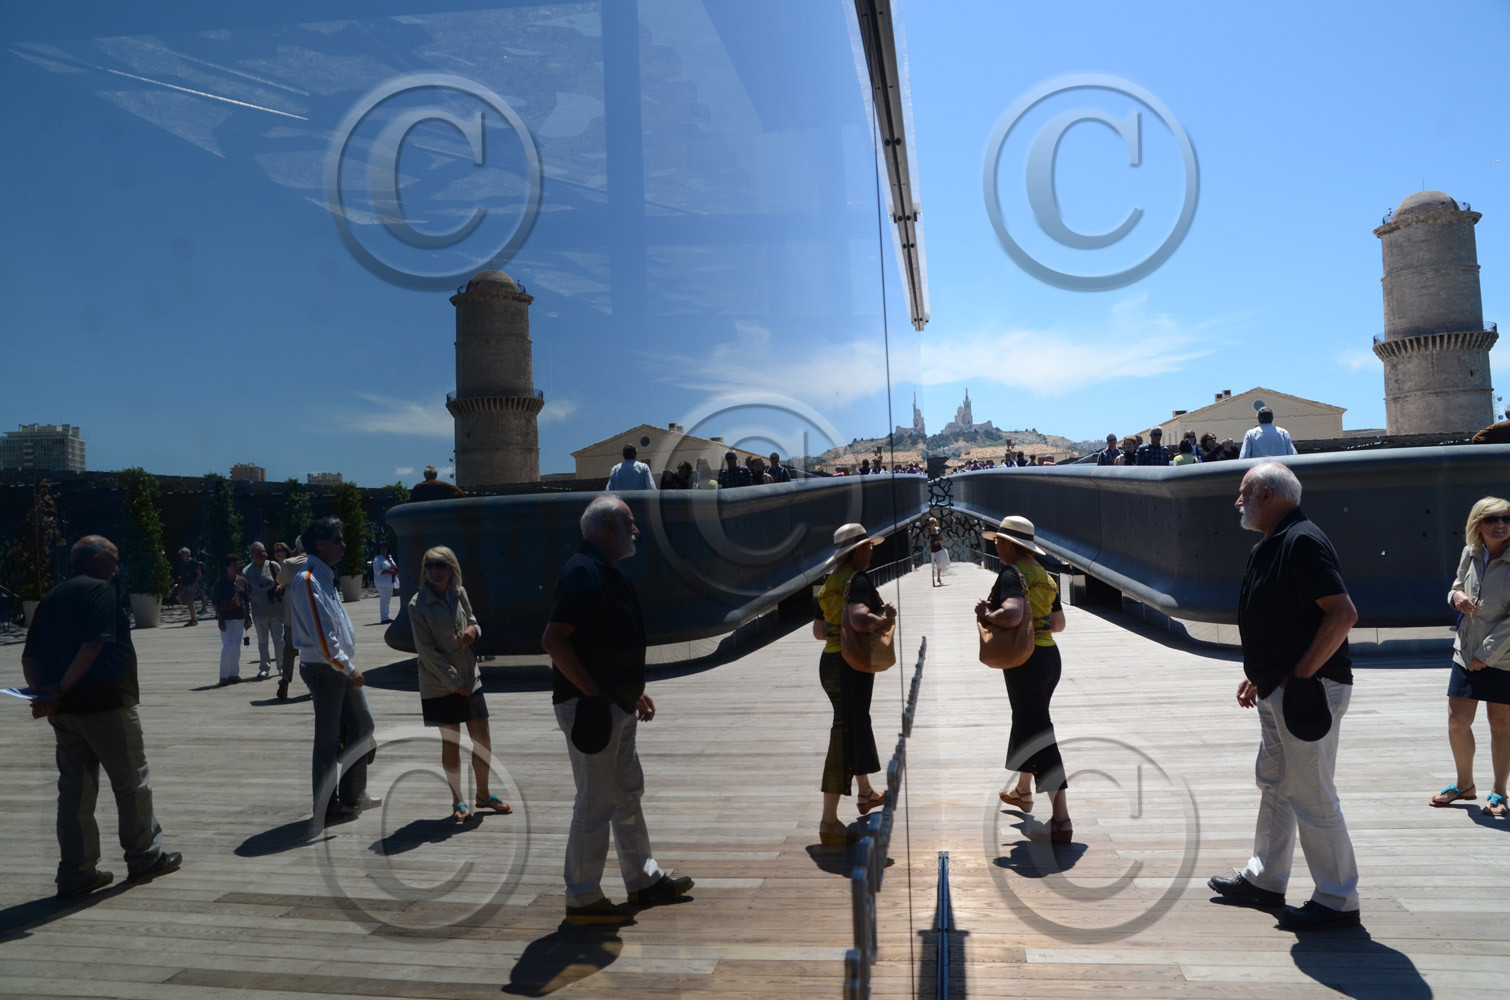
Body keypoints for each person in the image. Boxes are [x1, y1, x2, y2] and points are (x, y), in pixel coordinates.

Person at [1207, 462, 1361, 931]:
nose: (1238, 502)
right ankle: (1266, 878)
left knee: (1311, 793)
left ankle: (1338, 899)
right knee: (1275, 782)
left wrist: (1302, 673)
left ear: (1269, 495)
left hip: (1308, 691)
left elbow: (1343, 613)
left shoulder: (1302, 541)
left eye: (1243, 493)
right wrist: (1263, 674)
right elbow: (1281, 618)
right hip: (1281, 687)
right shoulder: (1272, 544)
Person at [540, 496, 693, 924]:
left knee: (627, 792)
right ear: (606, 528)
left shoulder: (608, 574)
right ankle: (582, 895)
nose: (636, 530)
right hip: (590, 709)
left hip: (614, 704)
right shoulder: (582, 573)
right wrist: (595, 693)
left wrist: (629, 692)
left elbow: (607, 645)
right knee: (596, 801)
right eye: (629, 523)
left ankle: (643, 880)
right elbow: (553, 641)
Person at [22, 535, 182, 896]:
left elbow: (29, 656)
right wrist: (60, 687)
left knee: (74, 793)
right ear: (94, 560)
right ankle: (144, 857)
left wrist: (45, 694)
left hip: (65, 713)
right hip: (107, 705)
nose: (117, 566)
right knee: (131, 784)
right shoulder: (101, 592)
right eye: (113, 558)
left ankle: (76, 872)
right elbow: (93, 645)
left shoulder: (53, 596)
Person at [978, 516, 1071, 844]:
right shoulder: (1045, 575)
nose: (995, 544)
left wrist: (986, 615)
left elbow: (1014, 613)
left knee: (1039, 733)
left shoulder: (1011, 574)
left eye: (999, 541)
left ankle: (1061, 820)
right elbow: (1058, 623)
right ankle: (1022, 790)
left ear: (1011, 545)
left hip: (1025, 662)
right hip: (1049, 658)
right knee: (1028, 721)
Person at [410, 545, 511, 822]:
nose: (434, 571)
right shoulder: (417, 604)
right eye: (429, 566)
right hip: (440, 685)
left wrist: (473, 630)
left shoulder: (460, 593)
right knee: (451, 742)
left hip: (470, 678)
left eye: (440, 565)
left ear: (451, 568)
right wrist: (454, 682)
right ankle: (458, 800)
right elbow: (426, 651)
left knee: (482, 740)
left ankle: (483, 794)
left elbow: (474, 620)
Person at [290, 516, 378, 827]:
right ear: (320, 544)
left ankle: (352, 794)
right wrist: (349, 669)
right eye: (337, 540)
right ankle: (326, 806)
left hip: (337, 667)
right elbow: (323, 640)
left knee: (363, 727)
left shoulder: (323, 576)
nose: (344, 545)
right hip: (326, 669)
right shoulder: (308, 579)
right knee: (327, 740)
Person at [813, 523, 894, 846]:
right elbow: (860, 620)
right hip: (851, 667)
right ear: (858, 551)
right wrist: (884, 618)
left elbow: (820, 631)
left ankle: (866, 793)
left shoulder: (830, 583)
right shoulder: (857, 580)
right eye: (869, 547)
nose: (872, 551)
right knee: (844, 735)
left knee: (855, 723)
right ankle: (829, 822)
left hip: (831, 661)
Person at [1433, 497, 1510, 816]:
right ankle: (1464, 785)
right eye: (1493, 519)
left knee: (1501, 725)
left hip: (1503, 657)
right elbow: (1455, 586)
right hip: (1465, 653)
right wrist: (1456, 596)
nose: (1501, 524)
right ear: (1478, 524)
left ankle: (1499, 792)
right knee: (1457, 722)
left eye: (1506, 518)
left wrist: (1486, 653)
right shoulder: (1470, 552)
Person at [210, 554, 252, 686]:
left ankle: (234, 674)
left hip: (240, 617)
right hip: (226, 618)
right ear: (226, 566)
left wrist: (248, 617)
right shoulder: (220, 582)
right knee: (227, 646)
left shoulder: (242, 581)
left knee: (236, 646)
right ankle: (223, 676)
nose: (236, 566)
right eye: (233, 564)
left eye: (237, 564)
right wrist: (219, 618)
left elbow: (246, 600)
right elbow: (215, 602)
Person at [273, 539, 307, 701]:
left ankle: (285, 678)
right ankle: (316, 680)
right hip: (311, 613)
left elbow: (280, 581)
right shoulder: (317, 561)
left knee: (289, 647)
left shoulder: (288, 563)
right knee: (314, 646)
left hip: (291, 612)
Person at [244, 542, 283, 679]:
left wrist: (279, 588)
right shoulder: (246, 571)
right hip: (259, 612)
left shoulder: (274, 566)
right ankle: (264, 667)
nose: (263, 554)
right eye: (259, 552)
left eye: (264, 551)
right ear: (252, 555)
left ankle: (282, 666)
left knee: (279, 639)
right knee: (262, 641)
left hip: (276, 610)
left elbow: (282, 582)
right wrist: (246, 614)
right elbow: (245, 593)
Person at [372, 541, 400, 624]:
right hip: (382, 582)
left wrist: (394, 570)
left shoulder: (389, 557)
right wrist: (389, 572)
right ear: (379, 549)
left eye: (385, 547)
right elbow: (378, 571)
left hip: (389, 581)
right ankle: (384, 618)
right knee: (384, 599)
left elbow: (394, 567)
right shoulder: (377, 558)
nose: (384, 549)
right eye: (382, 548)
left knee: (387, 599)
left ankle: (386, 617)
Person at [175, 547, 202, 626]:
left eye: (184, 553)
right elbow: (182, 575)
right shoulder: (183, 564)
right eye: (181, 554)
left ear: (188, 554)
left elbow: (199, 574)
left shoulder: (193, 563)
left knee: (190, 602)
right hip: (185, 585)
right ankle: (193, 619)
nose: (182, 555)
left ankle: (194, 620)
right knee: (188, 602)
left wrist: (194, 584)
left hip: (191, 585)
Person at [927, 516, 948, 587]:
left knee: (939, 563)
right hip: (931, 550)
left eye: (932, 523)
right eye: (930, 523)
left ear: (935, 523)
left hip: (938, 549)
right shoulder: (928, 531)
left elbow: (943, 539)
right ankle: (933, 578)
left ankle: (938, 577)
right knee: (932, 565)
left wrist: (938, 541)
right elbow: (926, 540)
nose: (931, 524)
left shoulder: (939, 530)